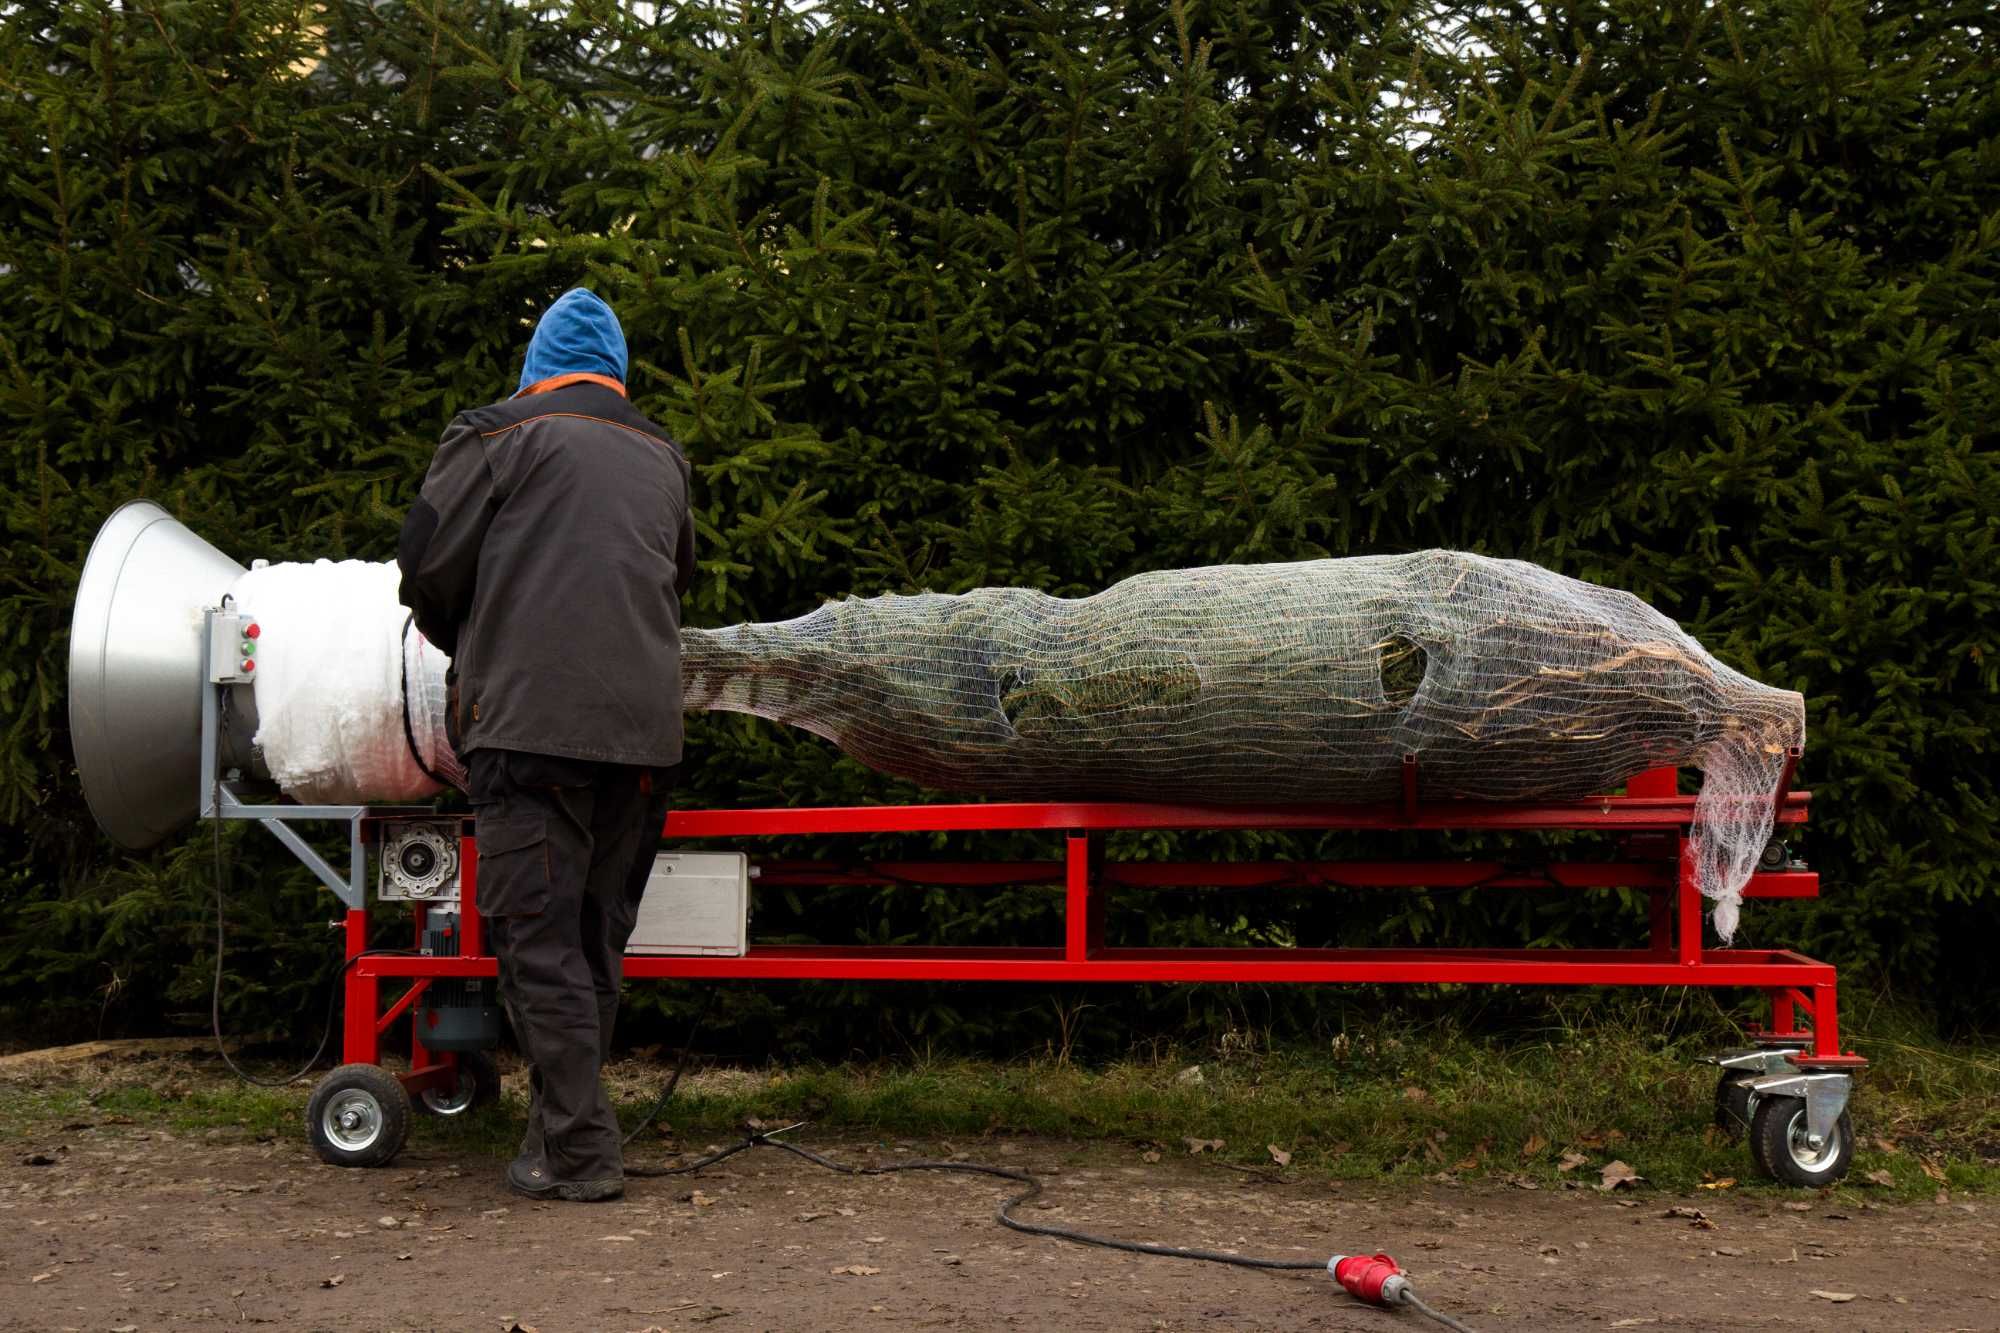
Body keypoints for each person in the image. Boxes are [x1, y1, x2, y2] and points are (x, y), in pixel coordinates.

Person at [397, 288, 696, 1202]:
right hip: (644, 738)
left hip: (527, 730)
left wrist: (477, 646)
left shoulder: (494, 436)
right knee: (592, 941)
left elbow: (425, 568)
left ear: (536, 366)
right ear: (616, 374)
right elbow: (677, 578)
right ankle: (554, 1135)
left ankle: (578, 1150)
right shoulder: (665, 457)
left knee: (536, 942)